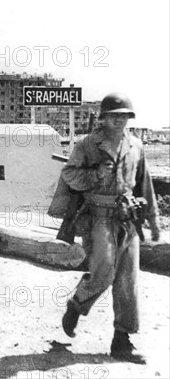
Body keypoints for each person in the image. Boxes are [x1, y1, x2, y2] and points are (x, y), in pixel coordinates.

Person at [56, 93, 160, 364]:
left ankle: (122, 341)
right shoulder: (88, 144)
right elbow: (69, 174)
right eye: (114, 115)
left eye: (124, 115)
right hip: (98, 217)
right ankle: (76, 305)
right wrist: (95, 174)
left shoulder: (136, 145)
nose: (119, 119)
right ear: (103, 117)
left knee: (128, 280)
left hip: (127, 219)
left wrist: (153, 219)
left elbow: (143, 183)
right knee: (103, 273)